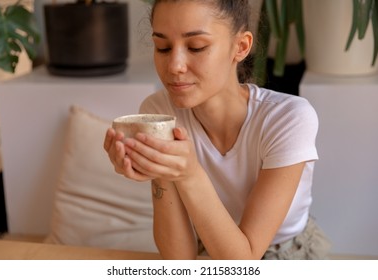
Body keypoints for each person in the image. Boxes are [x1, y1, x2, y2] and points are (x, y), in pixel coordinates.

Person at [104, 0, 331, 260]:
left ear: (241, 47)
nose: (174, 66)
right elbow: (179, 260)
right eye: (163, 47)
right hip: (210, 244)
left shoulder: (288, 118)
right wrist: (162, 170)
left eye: (196, 47)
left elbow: (242, 262)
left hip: (285, 254)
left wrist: (188, 173)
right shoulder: (159, 111)